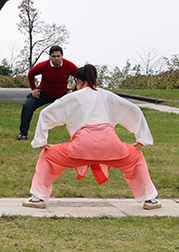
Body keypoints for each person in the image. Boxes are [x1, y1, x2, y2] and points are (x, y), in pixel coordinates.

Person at [22, 64, 161, 210]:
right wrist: (141, 139)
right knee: (136, 158)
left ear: (77, 81)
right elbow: (134, 109)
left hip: (81, 147)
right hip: (111, 145)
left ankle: (38, 198)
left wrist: (42, 141)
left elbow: (46, 113)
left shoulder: (73, 97)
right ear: (95, 79)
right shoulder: (107, 95)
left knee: (47, 157)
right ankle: (150, 200)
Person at [16, 45, 78, 140]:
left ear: (62, 56)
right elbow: (31, 73)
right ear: (50, 57)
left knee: (77, 108)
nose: (56, 59)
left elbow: (79, 78)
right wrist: (33, 89)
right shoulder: (43, 65)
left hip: (62, 93)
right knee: (27, 106)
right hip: (43, 93)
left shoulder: (69, 66)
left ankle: (78, 135)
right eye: (53, 56)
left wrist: (73, 92)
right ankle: (23, 134)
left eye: (58, 56)